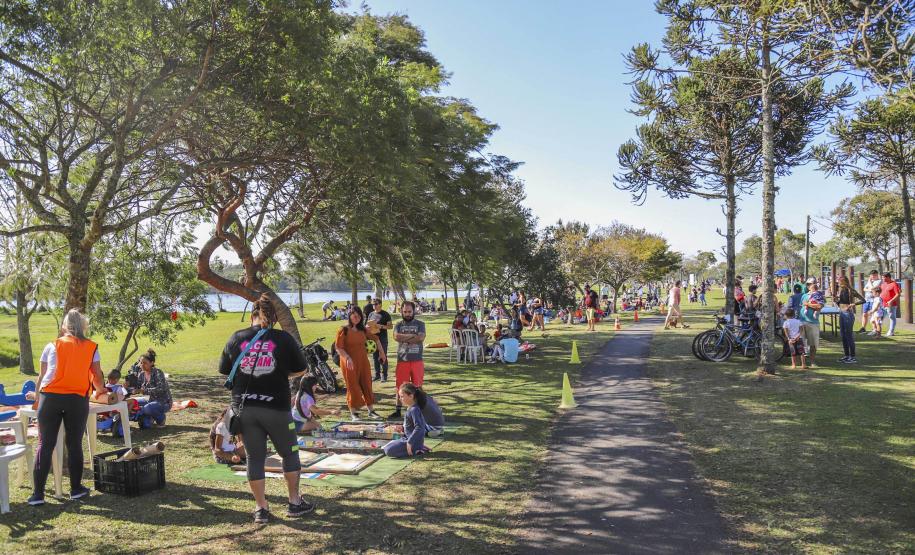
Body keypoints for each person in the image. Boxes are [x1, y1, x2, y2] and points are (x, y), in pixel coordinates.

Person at [218, 293, 315, 523]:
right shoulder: (284, 338)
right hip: (277, 406)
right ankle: (294, 502)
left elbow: (224, 370)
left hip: (245, 408)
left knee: (254, 457)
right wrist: (281, 373)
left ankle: (261, 508)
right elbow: (302, 368)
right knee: (289, 453)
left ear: (252, 314)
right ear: (273, 317)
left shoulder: (236, 337)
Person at [29, 309, 107, 506]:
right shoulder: (91, 347)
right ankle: (76, 489)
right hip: (76, 398)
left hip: (50, 397)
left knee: (45, 444)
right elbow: (96, 375)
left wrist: (38, 398)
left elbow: (42, 375)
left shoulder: (52, 345)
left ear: (64, 326)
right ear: (83, 326)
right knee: (74, 444)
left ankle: (37, 495)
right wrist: (101, 391)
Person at [334, 306, 385, 421]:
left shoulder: (363, 329)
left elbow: (376, 339)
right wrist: (347, 358)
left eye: (358, 315)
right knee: (352, 386)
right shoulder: (344, 330)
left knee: (367, 384)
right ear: (349, 316)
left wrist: (382, 353)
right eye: (354, 315)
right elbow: (338, 347)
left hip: (363, 362)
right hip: (349, 363)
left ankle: (371, 411)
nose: (356, 317)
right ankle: (354, 413)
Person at [390, 301, 426, 419]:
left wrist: (404, 337)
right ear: (401, 311)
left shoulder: (420, 324)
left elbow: (420, 337)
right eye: (405, 312)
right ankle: (398, 410)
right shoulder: (398, 325)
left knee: (418, 386)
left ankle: (420, 410)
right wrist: (412, 336)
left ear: (414, 311)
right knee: (400, 387)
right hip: (402, 360)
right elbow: (396, 337)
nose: (407, 314)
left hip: (417, 360)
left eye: (409, 311)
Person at [383, 383, 429, 459]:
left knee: (388, 450)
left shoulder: (414, 409)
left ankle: (416, 449)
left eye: (402, 396)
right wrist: (402, 428)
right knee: (386, 446)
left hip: (411, 442)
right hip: (407, 439)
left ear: (411, 396)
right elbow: (411, 426)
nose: (400, 399)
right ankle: (419, 447)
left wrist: (410, 442)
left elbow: (420, 427)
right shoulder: (411, 408)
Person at [133, 349, 173, 429]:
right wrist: (129, 385)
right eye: (141, 363)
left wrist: (143, 390)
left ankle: (161, 419)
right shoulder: (141, 374)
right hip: (150, 400)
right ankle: (148, 417)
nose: (142, 365)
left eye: (145, 363)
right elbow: (137, 387)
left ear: (152, 363)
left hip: (164, 401)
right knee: (133, 401)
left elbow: (160, 389)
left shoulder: (158, 372)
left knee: (147, 408)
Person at [835, 275, 864, 364]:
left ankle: (853, 357)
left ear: (843, 282)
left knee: (849, 336)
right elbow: (841, 302)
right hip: (842, 313)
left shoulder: (850, 290)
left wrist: (853, 304)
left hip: (848, 314)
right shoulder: (841, 290)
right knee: (843, 335)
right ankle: (847, 355)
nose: (838, 283)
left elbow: (863, 300)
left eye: (839, 281)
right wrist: (836, 300)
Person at [366, 298, 393, 382]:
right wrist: (368, 327)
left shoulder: (385, 314)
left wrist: (380, 326)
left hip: (382, 338)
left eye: (376, 304)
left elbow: (390, 326)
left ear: (380, 304)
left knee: (383, 356)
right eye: (373, 304)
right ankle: (377, 375)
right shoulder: (371, 314)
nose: (374, 306)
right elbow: (367, 324)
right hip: (373, 338)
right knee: (375, 357)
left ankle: (384, 375)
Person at [799, 279, 824, 368]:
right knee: (801, 343)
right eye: (808, 284)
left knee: (813, 344)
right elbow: (801, 306)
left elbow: (820, 306)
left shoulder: (819, 295)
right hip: (802, 321)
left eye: (811, 284)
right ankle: (803, 363)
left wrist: (808, 304)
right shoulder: (804, 295)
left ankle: (812, 362)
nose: (809, 286)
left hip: (813, 323)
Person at [880, 272, 901, 337]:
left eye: (884, 277)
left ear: (888, 277)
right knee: (880, 317)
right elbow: (881, 292)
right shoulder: (883, 284)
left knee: (892, 318)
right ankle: (877, 330)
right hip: (882, 304)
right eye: (882, 277)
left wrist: (891, 301)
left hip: (891, 305)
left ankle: (891, 331)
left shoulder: (894, 284)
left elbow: (898, 294)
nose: (883, 279)